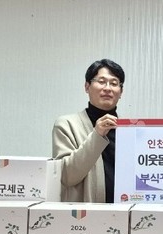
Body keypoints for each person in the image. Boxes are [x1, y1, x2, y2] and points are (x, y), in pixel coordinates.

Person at [52, 59, 125, 202]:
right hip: (86, 214)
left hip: (125, 210)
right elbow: (66, 176)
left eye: (114, 83)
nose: (108, 88)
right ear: (87, 87)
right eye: (101, 81)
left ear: (121, 91)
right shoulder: (67, 124)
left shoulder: (128, 131)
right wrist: (97, 135)